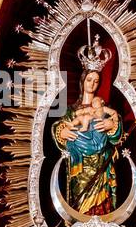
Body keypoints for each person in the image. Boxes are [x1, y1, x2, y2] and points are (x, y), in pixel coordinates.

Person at [52, 48, 125, 217]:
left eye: (96, 81)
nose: (92, 84)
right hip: (80, 165)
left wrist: (111, 124)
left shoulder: (103, 109)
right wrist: (61, 132)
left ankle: (101, 224)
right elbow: (61, 125)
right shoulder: (72, 110)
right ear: (82, 81)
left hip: (101, 161)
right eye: (89, 80)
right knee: (81, 196)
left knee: (101, 201)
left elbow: (115, 135)